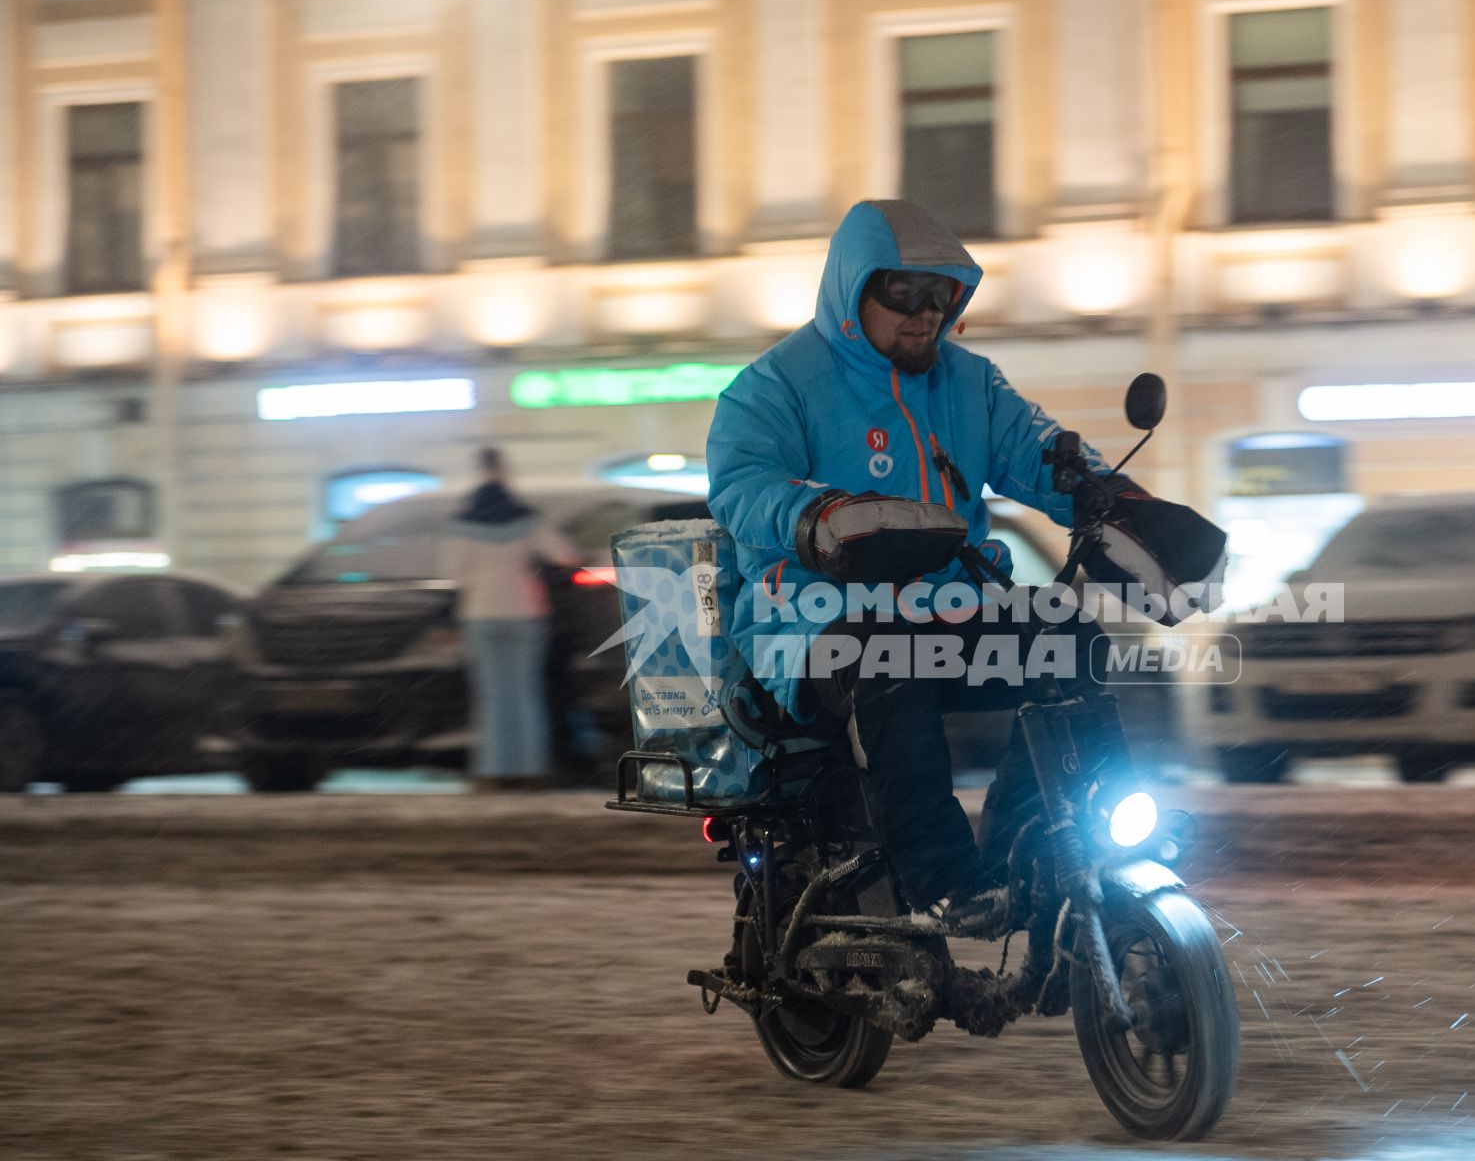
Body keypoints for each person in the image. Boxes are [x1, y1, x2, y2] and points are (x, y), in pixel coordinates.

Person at [707, 200, 1223, 910]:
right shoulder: (774, 388)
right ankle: (945, 886)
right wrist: (819, 516)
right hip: (808, 620)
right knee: (889, 659)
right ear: (852, 289)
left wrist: (1112, 502)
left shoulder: (970, 383)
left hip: (951, 605)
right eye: (902, 292)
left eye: (941, 293)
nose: (925, 313)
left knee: (1065, 637)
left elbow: (1044, 455)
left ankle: (1045, 853)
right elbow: (742, 487)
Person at [443, 447, 581, 791]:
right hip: (524, 612)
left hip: (480, 614)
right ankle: (530, 769)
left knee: (491, 695)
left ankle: (492, 771)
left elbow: (454, 573)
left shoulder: (463, 524)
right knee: (526, 693)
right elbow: (565, 555)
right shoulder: (526, 518)